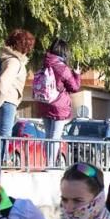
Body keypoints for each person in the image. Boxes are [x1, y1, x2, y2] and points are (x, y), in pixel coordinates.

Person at [0, 29, 35, 163]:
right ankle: (3, 161)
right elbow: (3, 81)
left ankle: (3, 159)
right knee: (5, 132)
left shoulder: (7, 59)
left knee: (5, 131)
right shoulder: (14, 62)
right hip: (7, 100)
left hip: (5, 100)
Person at [37, 38, 82, 166]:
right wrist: (77, 74)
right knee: (55, 136)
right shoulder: (62, 68)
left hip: (44, 103)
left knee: (48, 135)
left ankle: (47, 163)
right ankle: (51, 165)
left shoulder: (44, 64)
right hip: (58, 106)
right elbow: (74, 87)